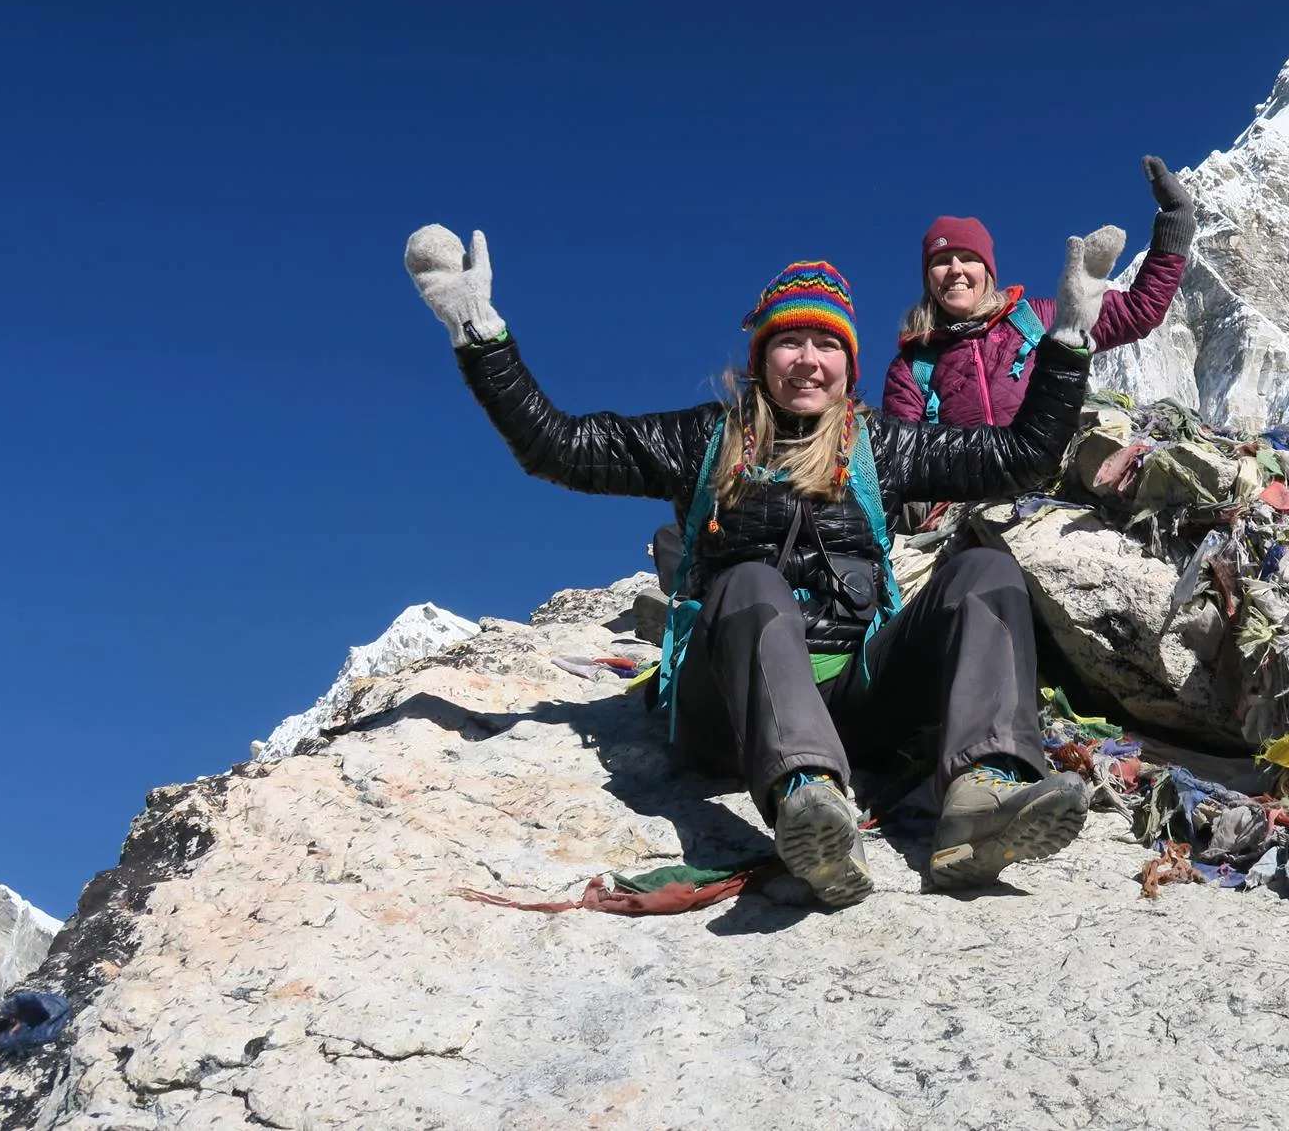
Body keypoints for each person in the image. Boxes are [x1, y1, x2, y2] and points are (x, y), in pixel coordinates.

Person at [403, 222, 1127, 908]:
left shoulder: (884, 447)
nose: (809, 360)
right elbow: (557, 447)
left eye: (827, 343)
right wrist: (479, 333)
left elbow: (1022, 455)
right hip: (728, 707)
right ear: (761, 358)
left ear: (850, 364)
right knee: (750, 580)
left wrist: (1067, 338)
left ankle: (982, 800)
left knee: (986, 573)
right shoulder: (703, 440)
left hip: (856, 699)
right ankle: (807, 805)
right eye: (791, 342)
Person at [882, 156, 1195, 427]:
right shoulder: (912, 368)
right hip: (964, 497)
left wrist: (1176, 222)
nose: (955, 269)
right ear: (928, 278)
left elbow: (1138, 312)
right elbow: (905, 456)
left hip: (1052, 486)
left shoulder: (1039, 320)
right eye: (940, 261)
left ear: (988, 272)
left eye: (967, 258)